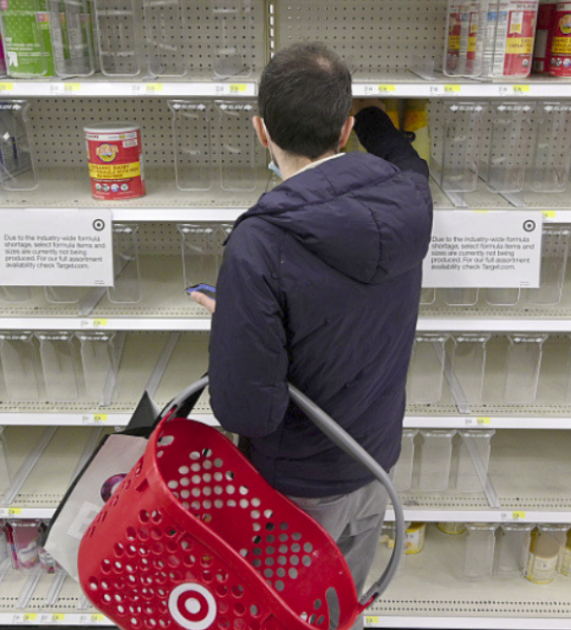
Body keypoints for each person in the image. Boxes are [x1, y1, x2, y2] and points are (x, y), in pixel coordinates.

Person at [190, 41, 433, 611]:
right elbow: (410, 163)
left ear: (259, 131)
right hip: (375, 468)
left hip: (296, 494)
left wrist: (237, 322)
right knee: (338, 606)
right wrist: (377, 119)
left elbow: (247, 412)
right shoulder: (412, 200)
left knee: (283, 613)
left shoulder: (261, 243)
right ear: (343, 130)